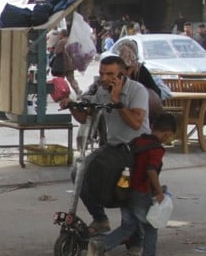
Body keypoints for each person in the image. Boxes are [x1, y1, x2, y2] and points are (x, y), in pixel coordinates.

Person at [61, 55, 150, 236]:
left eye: (110, 74)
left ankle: (136, 239)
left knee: (126, 189)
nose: (104, 78)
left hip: (138, 148)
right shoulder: (102, 91)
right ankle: (100, 218)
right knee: (78, 171)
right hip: (114, 146)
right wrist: (71, 104)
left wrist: (116, 100)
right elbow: (85, 116)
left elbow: (136, 123)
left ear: (122, 74)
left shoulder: (137, 90)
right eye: (102, 73)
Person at [86, 112, 176, 256]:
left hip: (124, 190)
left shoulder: (139, 141)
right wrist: (158, 191)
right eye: (169, 137)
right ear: (167, 133)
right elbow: (151, 170)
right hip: (140, 192)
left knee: (129, 225)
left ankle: (101, 244)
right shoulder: (156, 149)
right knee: (151, 226)